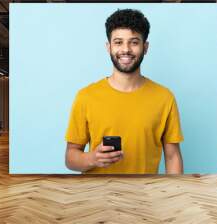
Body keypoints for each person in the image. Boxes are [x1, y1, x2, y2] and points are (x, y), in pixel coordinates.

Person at [65, 9, 184, 174]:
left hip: (146, 195)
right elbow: (70, 157)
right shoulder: (86, 96)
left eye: (134, 42)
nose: (126, 49)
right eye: (118, 42)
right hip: (97, 196)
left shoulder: (165, 97)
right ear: (109, 47)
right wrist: (93, 158)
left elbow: (172, 157)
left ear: (145, 47)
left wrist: (175, 192)